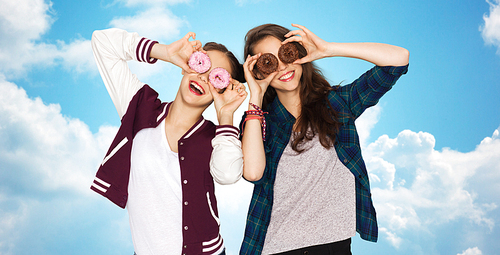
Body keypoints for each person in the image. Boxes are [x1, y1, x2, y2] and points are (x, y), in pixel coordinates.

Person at [239, 23, 409, 255]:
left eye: (285, 54)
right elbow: (253, 173)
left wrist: (327, 49)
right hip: (277, 247)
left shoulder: (338, 104)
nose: (282, 67)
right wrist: (255, 95)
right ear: (257, 71)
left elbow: (398, 59)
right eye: (268, 63)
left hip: (334, 245)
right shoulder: (258, 120)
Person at [89, 28, 247, 255]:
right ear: (187, 66)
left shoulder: (218, 137)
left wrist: (225, 116)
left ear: (221, 90)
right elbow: (102, 42)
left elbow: (228, 175)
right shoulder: (141, 107)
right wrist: (164, 52)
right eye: (201, 64)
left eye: (216, 77)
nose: (203, 78)